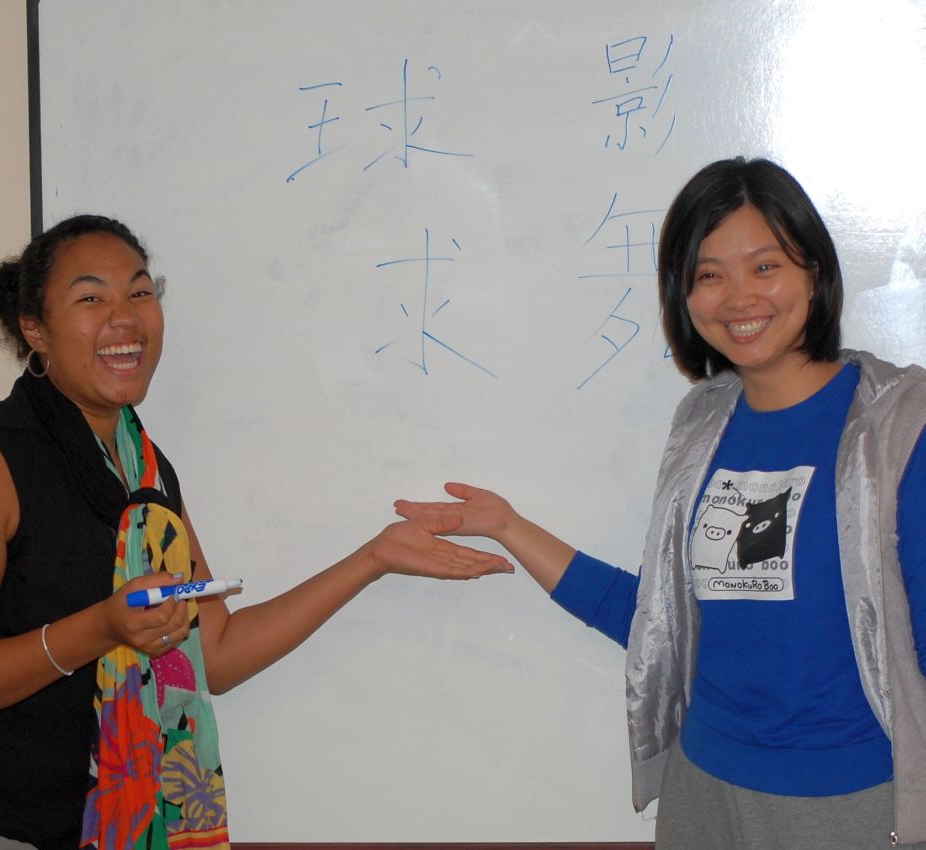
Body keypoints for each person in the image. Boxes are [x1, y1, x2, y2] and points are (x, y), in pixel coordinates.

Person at [0, 215, 513, 850]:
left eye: (140, 292)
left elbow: (217, 653)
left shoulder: (146, 472)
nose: (125, 317)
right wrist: (101, 627)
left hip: (110, 832)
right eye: (91, 298)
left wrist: (374, 559)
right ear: (35, 329)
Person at [396, 157, 926, 849]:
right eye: (710, 275)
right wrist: (508, 526)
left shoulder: (896, 430)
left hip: (849, 803)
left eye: (765, 266)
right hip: (701, 792)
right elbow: (659, 623)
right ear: (683, 293)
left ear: (815, 273)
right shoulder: (702, 427)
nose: (739, 297)